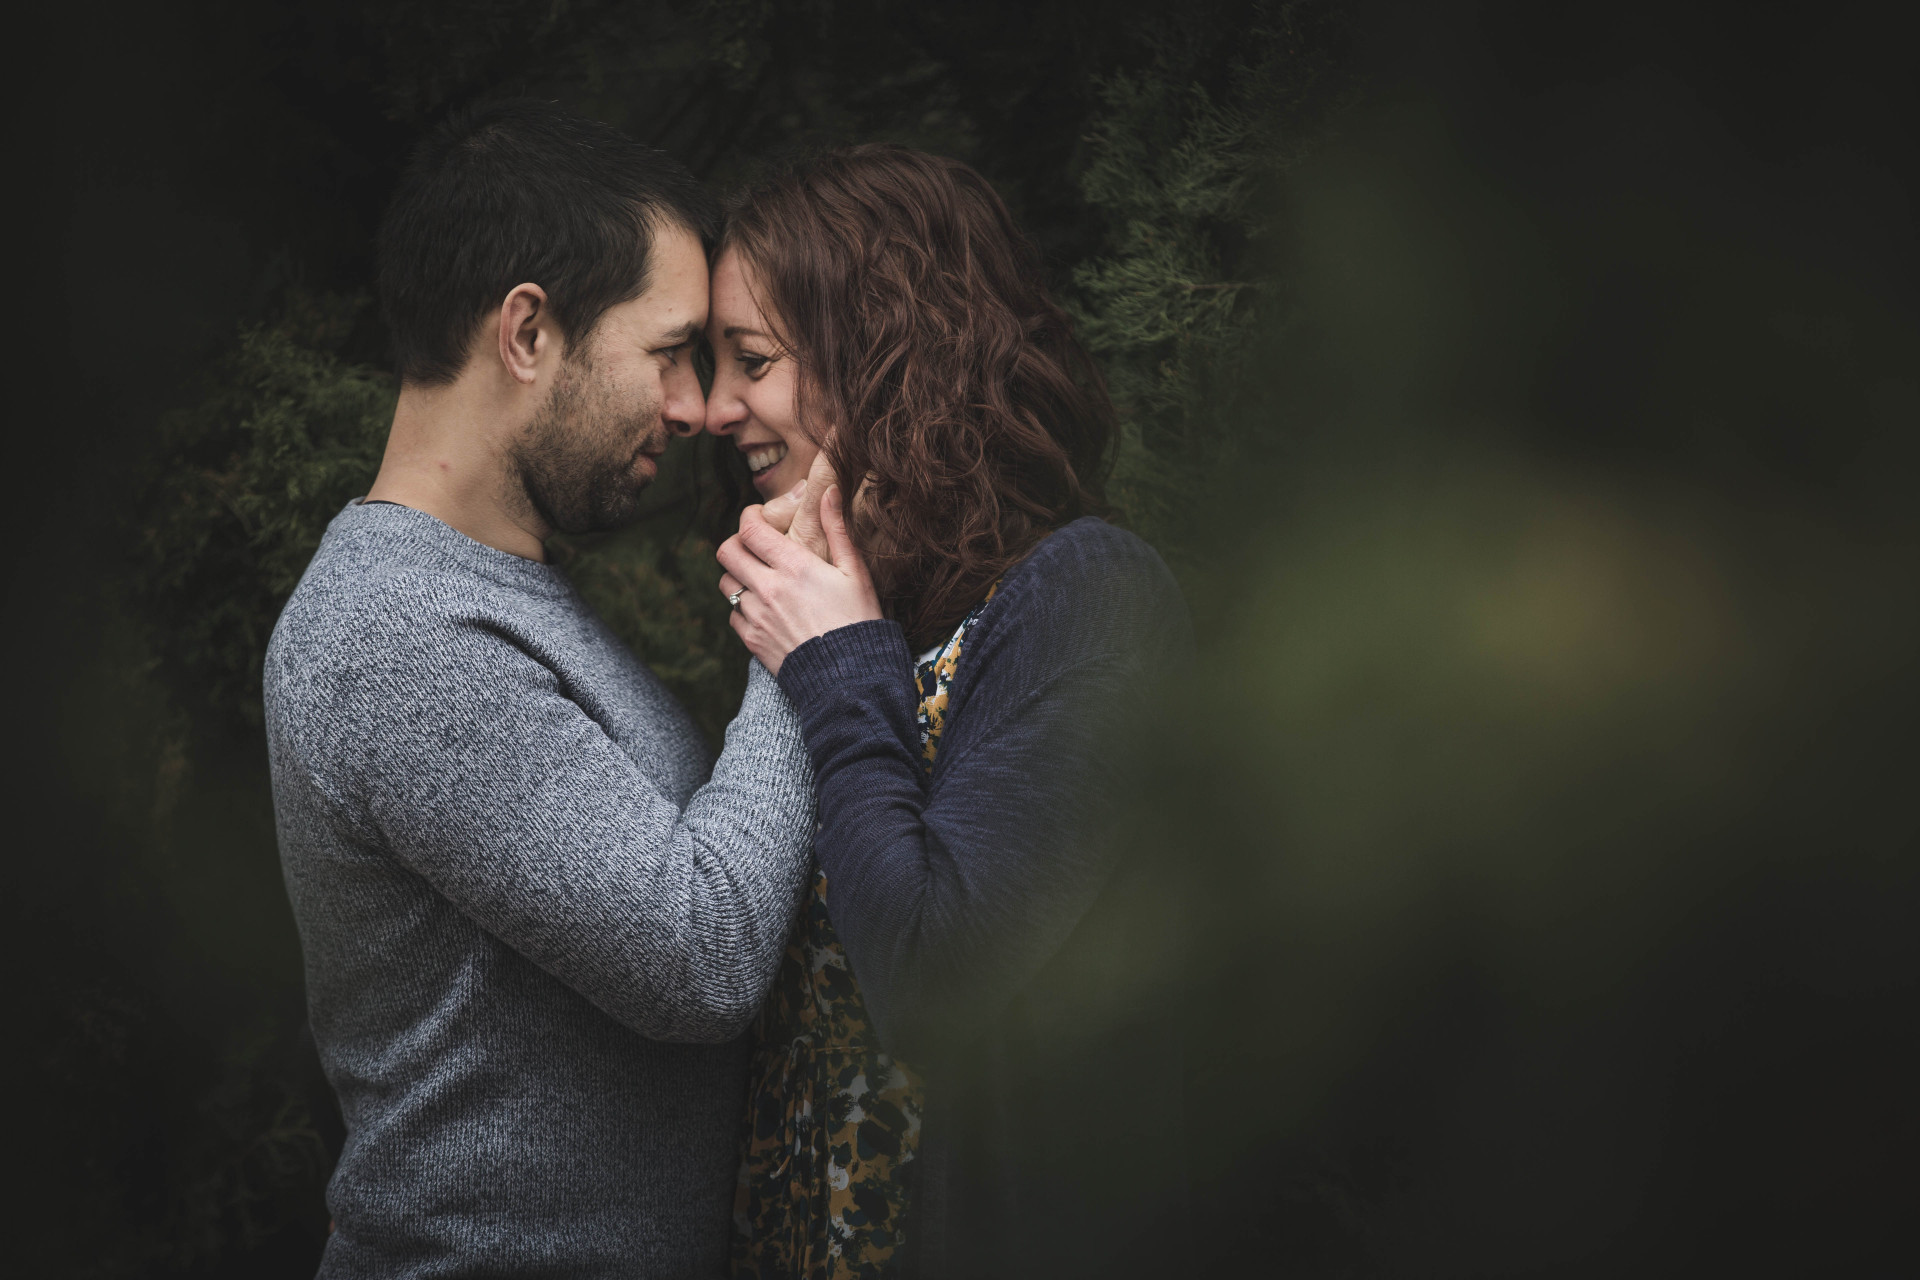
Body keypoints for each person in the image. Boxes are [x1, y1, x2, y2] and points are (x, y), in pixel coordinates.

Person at [263, 100, 817, 1277]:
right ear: (527, 332)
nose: (696, 406)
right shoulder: (401, 636)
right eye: (670, 351)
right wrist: (805, 640)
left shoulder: (494, 592)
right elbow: (702, 950)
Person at [707, 146, 1195, 1280]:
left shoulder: (1088, 596)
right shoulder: (864, 616)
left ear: (885, 350)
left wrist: (834, 665)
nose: (719, 408)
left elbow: (936, 981)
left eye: (754, 360)